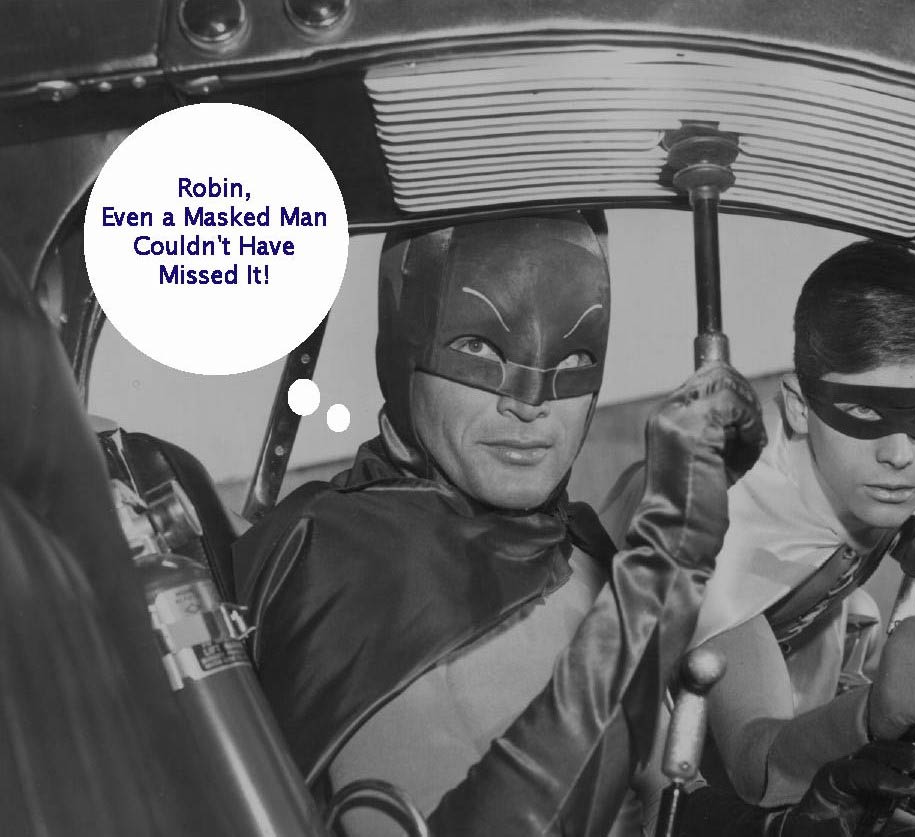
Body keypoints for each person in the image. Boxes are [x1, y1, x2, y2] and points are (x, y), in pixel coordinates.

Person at [232, 214, 769, 835]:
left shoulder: (578, 550)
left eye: (574, 357)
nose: (527, 403)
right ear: (405, 349)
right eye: (478, 349)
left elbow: (664, 798)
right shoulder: (338, 557)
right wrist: (661, 569)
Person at [690, 240, 915, 808]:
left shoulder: (867, 468)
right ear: (799, 406)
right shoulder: (717, 526)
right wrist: (872, 713)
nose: (899, 454)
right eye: (864, 411)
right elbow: (760, 764)